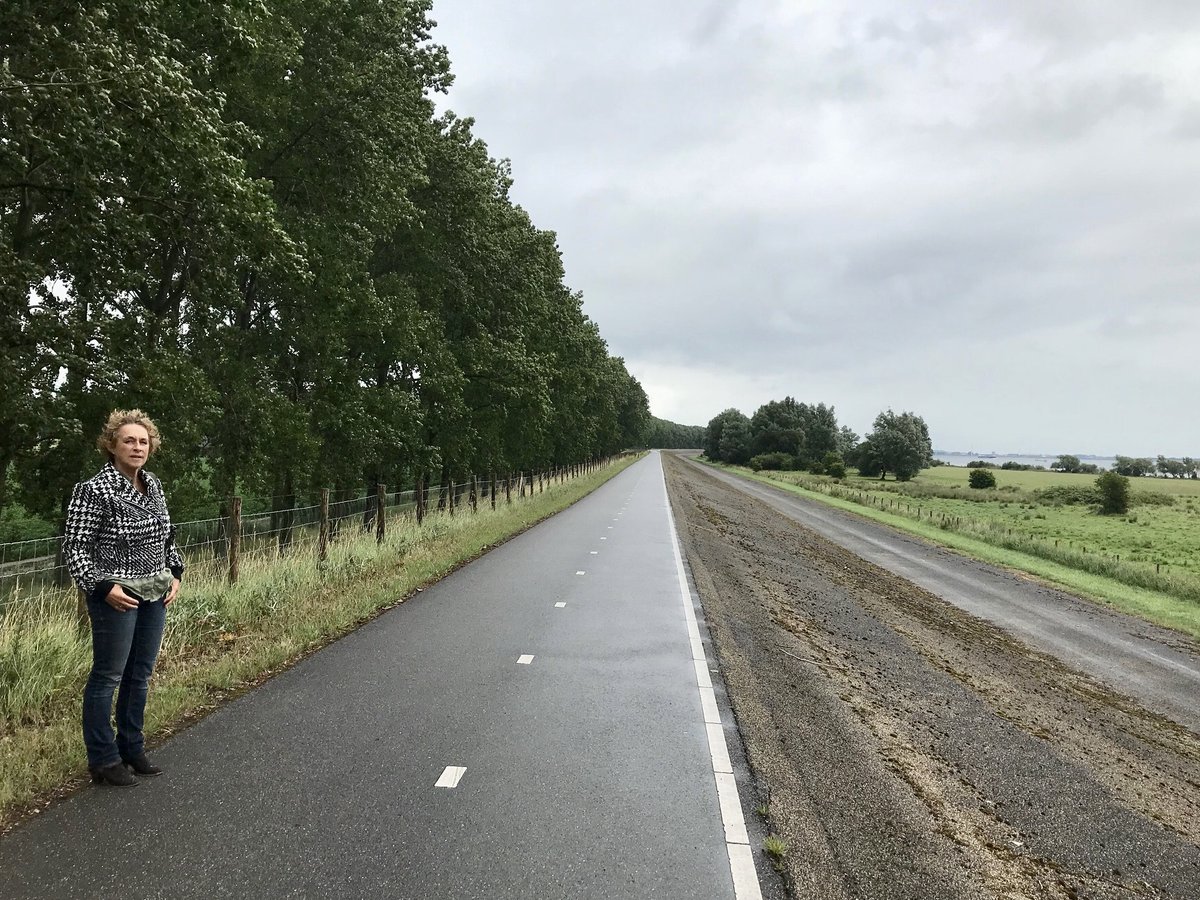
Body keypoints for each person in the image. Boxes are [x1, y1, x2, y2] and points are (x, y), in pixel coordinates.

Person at [64, 409, 184, 787]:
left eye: (143, 441)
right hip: (116, 594)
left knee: (140, 675)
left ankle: (131, 747)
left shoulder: (154, 485)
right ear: (112, 445)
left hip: (154, 592)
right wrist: (102, 588)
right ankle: (103, 759)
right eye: (129, 440)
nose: (137, 447)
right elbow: (76, 547)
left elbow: (166, 537)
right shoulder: (93, 489)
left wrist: (175, 572)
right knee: (108, 675)